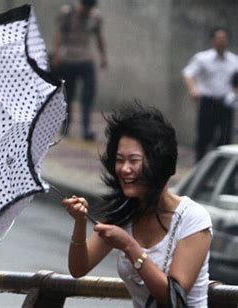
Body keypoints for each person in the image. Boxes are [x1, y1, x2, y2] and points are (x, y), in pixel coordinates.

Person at [61, 104, 212, 307]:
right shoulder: (124, 212)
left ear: (158, 163)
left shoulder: (193, 218)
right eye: (120, 160)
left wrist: (129, 246)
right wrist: (79, 223)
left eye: (134, 160)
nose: (125, 169)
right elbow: (79, 268)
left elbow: (172, 299)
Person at [52, 0, 107, 140]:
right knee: (68, 95)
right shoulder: (67, 13)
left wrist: (103, 56)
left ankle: (86, 128)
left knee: (88, 94)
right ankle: (66, 125)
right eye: (85, 8)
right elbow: (58, 33)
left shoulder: (95, 17)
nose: (86, 11)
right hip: (68, 59)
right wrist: (57, 54)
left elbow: (99, 36)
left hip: (86, 59)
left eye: (89, 9)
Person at [182, 27, 238, 162]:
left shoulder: (234, 60)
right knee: (204, 136)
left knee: (224, 137)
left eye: (224, 39)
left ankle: (220, 168)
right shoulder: (203, 58)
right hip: (208, 102)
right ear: (213, 41)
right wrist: (193, 90)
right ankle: (199, 166)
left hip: (226, 103)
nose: (221, 42)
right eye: (218, 39)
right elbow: (188, 73)